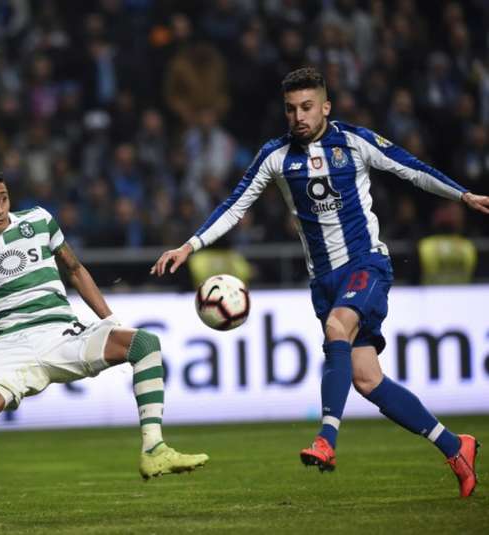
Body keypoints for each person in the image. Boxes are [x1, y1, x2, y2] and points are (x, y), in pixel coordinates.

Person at [152, 67, 489, 498]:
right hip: (324, 282)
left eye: (307, 107)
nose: (298, 116)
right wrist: (189, 246)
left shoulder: (354, 141)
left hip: (366, 265)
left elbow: (410, 168)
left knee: (336, 330)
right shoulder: (275, 156)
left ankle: (326, 440)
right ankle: (454, 446)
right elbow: (235, 205)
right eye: (291, 109)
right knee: (367, 380)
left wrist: (463, 195)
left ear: (325, 107)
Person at [0, 168, 209, 527]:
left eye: (3, 198)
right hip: (10, 345)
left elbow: (74, 268)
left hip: (62, 333)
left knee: (144, 343)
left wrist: (110, 321)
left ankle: (153, 448)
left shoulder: (39, 220)